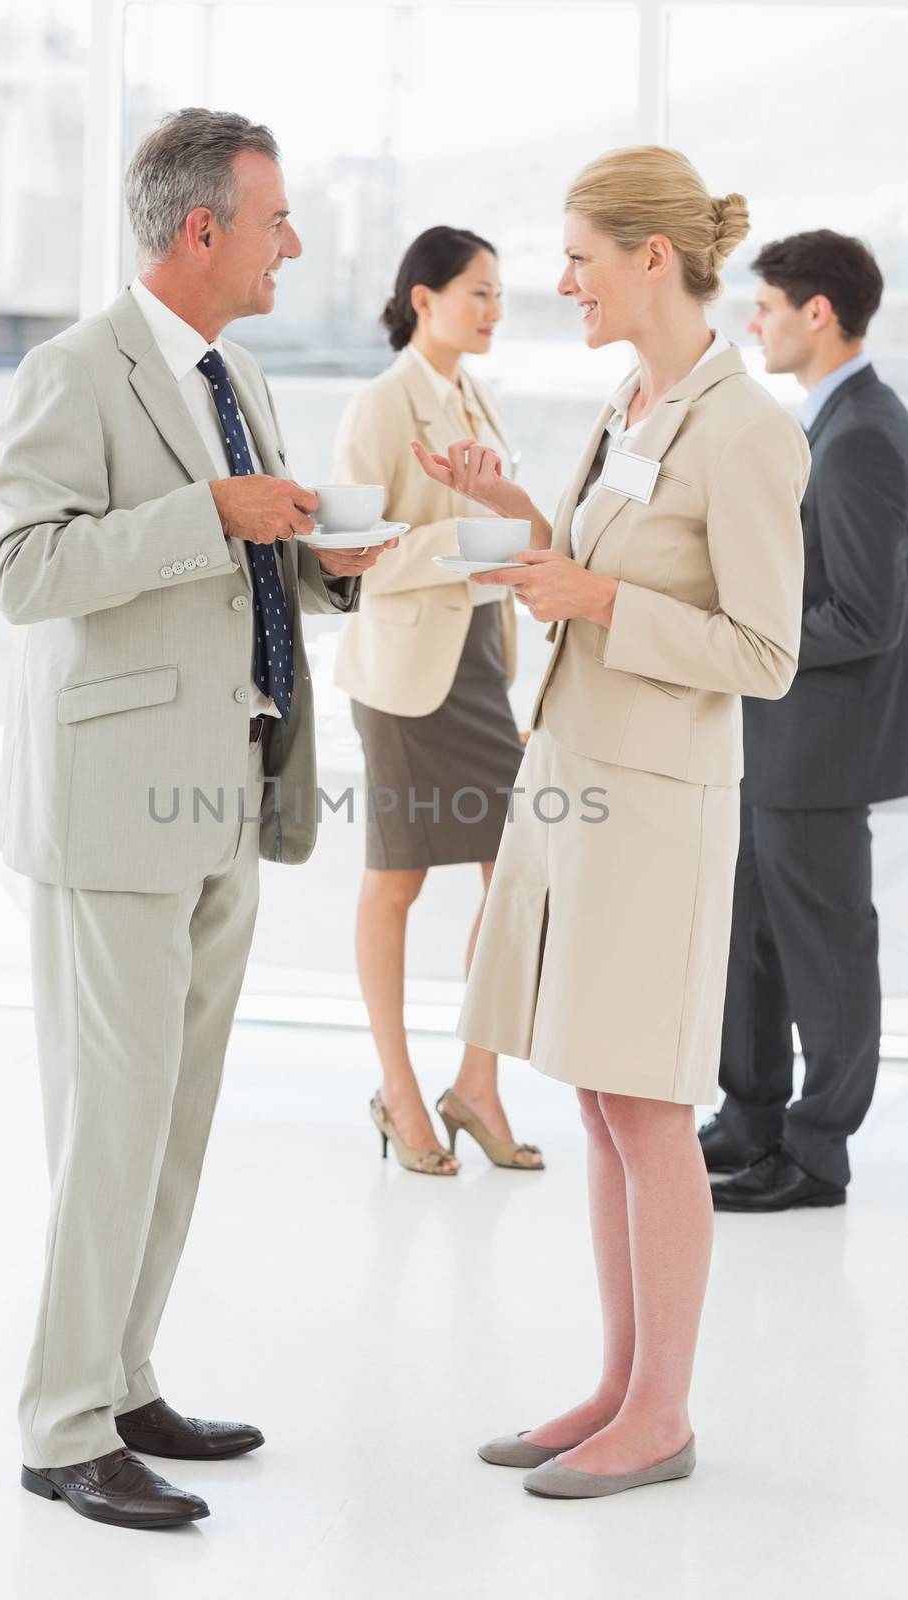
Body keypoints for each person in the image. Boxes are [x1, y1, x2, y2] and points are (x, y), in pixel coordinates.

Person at [0, 109, 395, 1531]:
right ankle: (57, 1424)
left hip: (228, 794)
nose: (293, 245)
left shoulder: (236, 374)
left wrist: (327, 567)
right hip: (110, 815)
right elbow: (23, 572)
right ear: (201, 228)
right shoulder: (68, 371)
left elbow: (245, 564)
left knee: (173, 1121)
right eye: (276, 221)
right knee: (110, 1124)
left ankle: (122, 1377)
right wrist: (211, 514)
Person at [416, 146, 808, 1499]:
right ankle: (614, 1384)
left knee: (643, 1104)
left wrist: (598, 608)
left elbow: (763, 652)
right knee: (593, 1095)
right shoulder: (631, 400)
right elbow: (591, 566)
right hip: (573, 783)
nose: (558, 280)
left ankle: (661, 1412)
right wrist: (518, 518)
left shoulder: (748, 427)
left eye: (578, 255)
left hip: (653, 810)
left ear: (652, 258)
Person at [703, 231, 908, 1211]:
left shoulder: (863, 432)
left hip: (816, 747)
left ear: (815, 313)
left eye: (767, 306)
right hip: (770, 740)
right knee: (752, 940)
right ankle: (750, 1120)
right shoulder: (826, 423)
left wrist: (748, 632)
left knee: (825, 952)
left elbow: (866, 616)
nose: (754, 322)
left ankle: (815, 1151)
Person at [333, 226, 540, 1176]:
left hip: (477, 669)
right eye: (479, 293)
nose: (494, 310)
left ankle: (478, 1082)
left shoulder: (476, 398)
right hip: (406, 678)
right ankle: (399, 1089)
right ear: (423, 298)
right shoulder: (384, 405)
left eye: (499, 295)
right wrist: (473, 552)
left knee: (512, 878)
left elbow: (508, 521)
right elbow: (348, 557)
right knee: (399, 880)